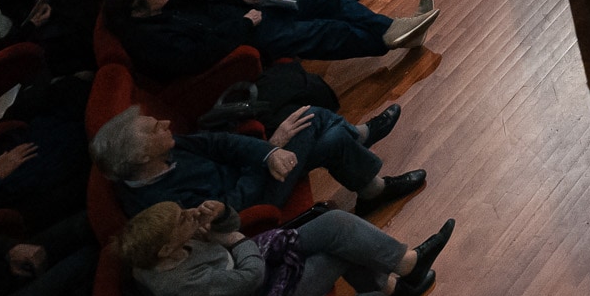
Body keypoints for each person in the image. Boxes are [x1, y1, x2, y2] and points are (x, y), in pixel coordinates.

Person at [91, 102, 427, 223]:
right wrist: (270, 151)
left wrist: (267, 152)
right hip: (256, 202)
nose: (165, 123)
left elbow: (220, 143)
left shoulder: (167, 148)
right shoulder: (160, 204)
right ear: (141, 157)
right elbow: (232, 207)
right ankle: (362, 139)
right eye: (154, 129)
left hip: (254, 174)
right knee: (310, 117)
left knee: (331, 137)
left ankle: (371, 188)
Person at [119, 197, 433, 296]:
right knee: (337, 255)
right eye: (182, 219)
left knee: (335, 223)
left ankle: (406, 264)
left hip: (260, 257)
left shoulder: (176, 242)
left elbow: (230, 229)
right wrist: (236, 240)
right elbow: (248, 279)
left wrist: (222, 214)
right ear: (165, 250)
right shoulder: (177, 283)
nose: (189, 213)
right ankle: (391, 287)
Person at [104, 0, 432, 78]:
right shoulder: (153, 41)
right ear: (139, 12)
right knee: (327, 30)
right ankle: (395, 37)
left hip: (253, 12)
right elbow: (199, 55)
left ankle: (394, 29)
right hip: (247, 38)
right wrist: (244, 25)